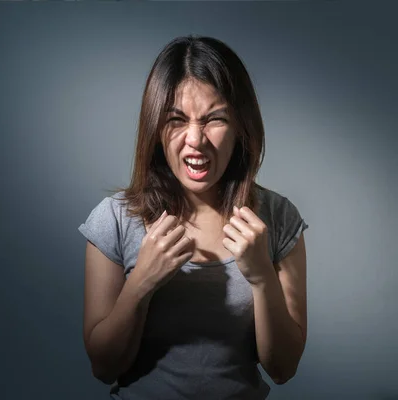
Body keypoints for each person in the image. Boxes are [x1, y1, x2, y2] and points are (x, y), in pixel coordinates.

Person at [77, 35, 309, 400]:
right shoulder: (115, 220)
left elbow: (283, 370)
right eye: (176, 119)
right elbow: (103, 368)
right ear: (155, 129)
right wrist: (141, 282)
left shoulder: (278, 219)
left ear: (240, 128)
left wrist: (263, 275)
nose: (195, 140)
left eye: (215, 119)